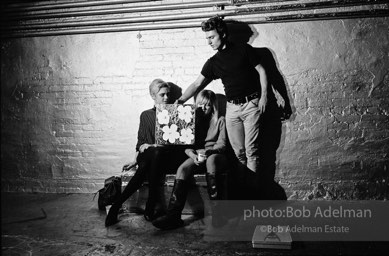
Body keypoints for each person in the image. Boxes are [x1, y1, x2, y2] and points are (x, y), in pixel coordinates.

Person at [176, 16, 269, 174]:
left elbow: (262, 70)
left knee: (251, 152)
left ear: (223, 34)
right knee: (239, 153)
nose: (209, 42)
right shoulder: (213, 62)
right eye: (207, 38)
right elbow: (197, 84)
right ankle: (244, 194)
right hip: (232, 109)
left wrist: (264, 96)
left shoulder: (244, 49)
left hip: (250, 105)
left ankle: (253, 195)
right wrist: (181, 100)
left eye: (212, 37)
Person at [105, 79, 187, 227]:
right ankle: (151, 202)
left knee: (149, 162)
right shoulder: (146, 115)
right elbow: (141, 142)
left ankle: (116, 206)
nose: (167, 98)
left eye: (168, 94)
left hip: (164, 157)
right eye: (162, 95)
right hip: (148, 155)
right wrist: (135, 159)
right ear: (153, 96)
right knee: (151, 154)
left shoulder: (176, 114)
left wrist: (155, 145)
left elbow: (178, 145)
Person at [152, 90, 228, 230]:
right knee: (182, 169)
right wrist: (193, 156)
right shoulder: (191, 120)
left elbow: (222, 144)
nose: (203, 108)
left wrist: (208, 152)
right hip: (198, 155)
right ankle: (173, 216)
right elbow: (186, 146)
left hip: (215, 155)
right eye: (200, 104)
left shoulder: (220, 120)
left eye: (207, 105)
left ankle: (219, 214)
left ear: (213, 106)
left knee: (211, 161)